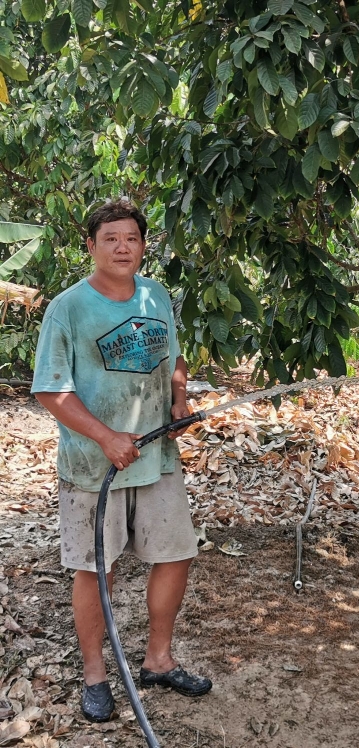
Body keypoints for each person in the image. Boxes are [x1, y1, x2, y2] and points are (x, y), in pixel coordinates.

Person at [31, 200, 211, 723]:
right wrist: (106, 437)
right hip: (94, 466)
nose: (122, 247)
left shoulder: (156, 295)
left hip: (157, 457)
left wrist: (178, 401)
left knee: (176, 554)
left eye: (131, 238)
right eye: (110, 238)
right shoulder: (68, 308)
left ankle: (158, 660)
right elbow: (51, 389)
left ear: (143, 245)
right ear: (90, 246)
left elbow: (173, 356)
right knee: (96, 569)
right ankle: (95, 676)